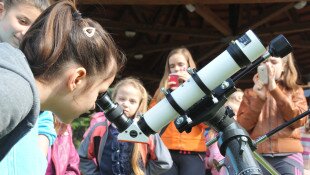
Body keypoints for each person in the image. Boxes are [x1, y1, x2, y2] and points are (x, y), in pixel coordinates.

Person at [0, 0, 124, 173]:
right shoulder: (15, 93)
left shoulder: (22, 89)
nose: (94, 105)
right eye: (99, 93)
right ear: (77, 78)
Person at [78, 77, 173, 175]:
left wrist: (143, 173)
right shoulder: (99, 129)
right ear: (113, 100)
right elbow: (82, 157)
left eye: (132, 101)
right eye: (122, 99)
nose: (125, 104)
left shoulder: (147, 132)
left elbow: (164, 162)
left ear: (139, 105)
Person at [237, 53, 308, 174]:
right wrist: (259, 99)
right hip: (258, 155)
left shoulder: (295, 90)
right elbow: (242, 127)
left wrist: (274, 89)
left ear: (284, 67)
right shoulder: (250, 93)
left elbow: (299, 120)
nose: (268, 65)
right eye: (264, 62)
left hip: (288, 154)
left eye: (273, 62)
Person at [149, 47, 207, 175]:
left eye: (181, 64)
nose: (176, 69)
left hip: (193, 152)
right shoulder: (161, 92)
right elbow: (152, 121)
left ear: (189, 66)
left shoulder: (201, 90)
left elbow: (206, 123)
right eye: (172, 66)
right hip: (165, 152)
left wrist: (194, 88)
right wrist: (166, 95)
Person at [205, 89, 244, 175]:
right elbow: (206, 155)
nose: (232, 119)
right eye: (230, 115)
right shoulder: (211, 134)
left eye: (236, 115)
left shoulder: (243, 132)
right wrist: (209, 161)